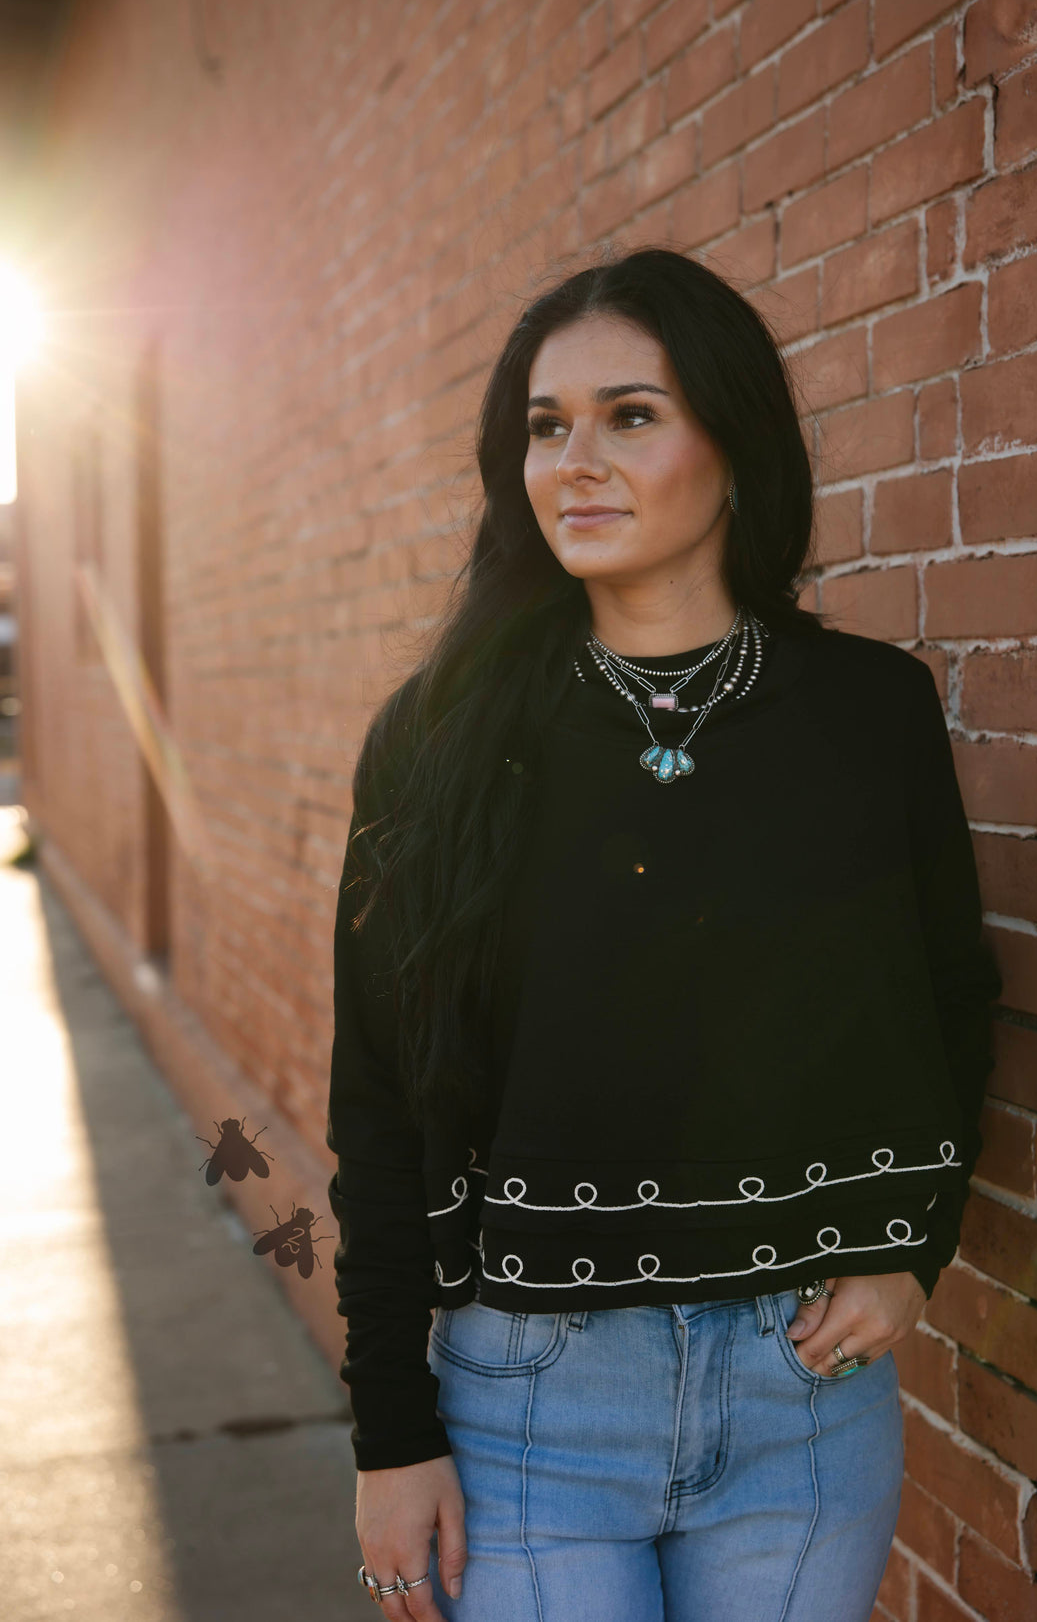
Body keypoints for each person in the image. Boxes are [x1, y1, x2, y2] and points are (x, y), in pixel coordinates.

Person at [325, 245, 1002, 1622]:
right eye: (547, 427)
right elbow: (378, 1100)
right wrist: (389, 1431)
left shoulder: (869, 711)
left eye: (630, 416)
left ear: (734, 446)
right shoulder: (438, 738)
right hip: (530, 1407)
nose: (575, 462)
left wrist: (913, 1246)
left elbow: (952, 994)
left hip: (803, 1393)